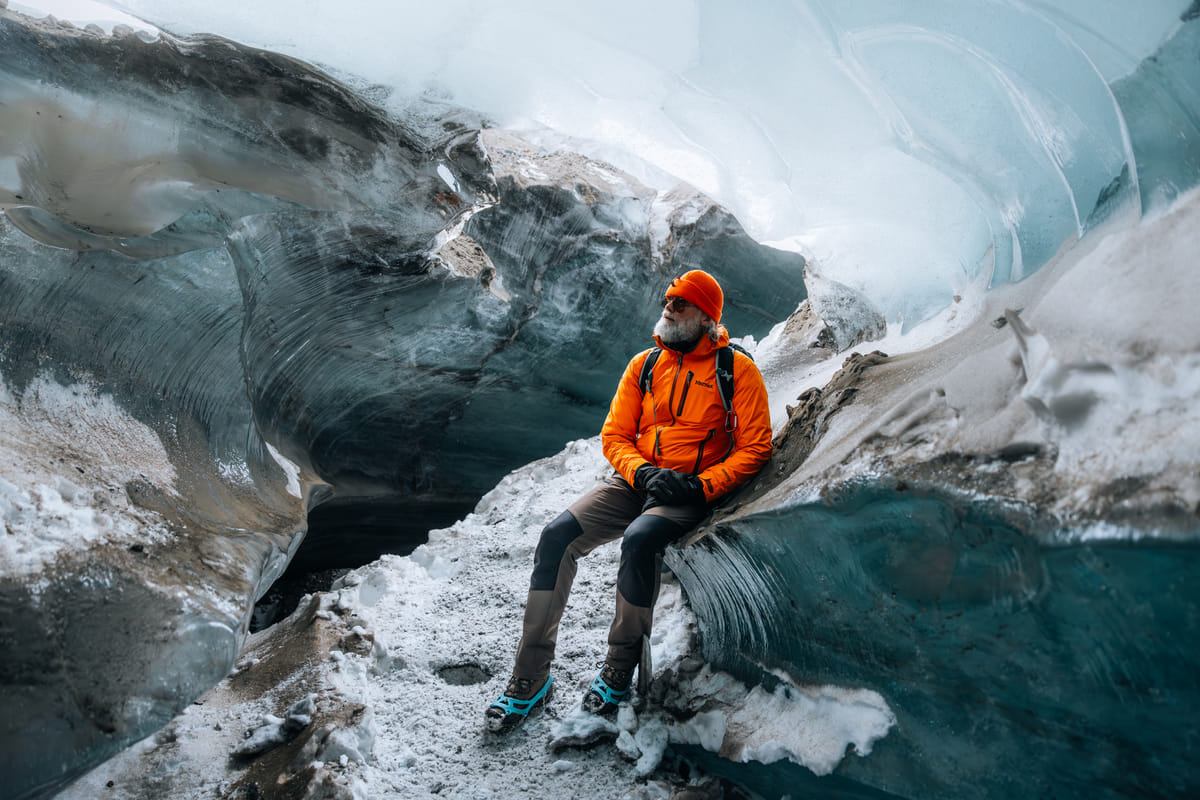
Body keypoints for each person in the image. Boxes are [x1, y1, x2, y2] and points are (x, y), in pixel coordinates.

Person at [484, 269, 773, 733]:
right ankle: (530, 677)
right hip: (635, 481)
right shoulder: (644, 365)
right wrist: (641, 471)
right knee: (557, 536)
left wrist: (702, 486)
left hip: (688, 491)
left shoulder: (736, 371)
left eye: (679, 303)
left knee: (639, 540)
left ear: (704, 316)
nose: (668, 307)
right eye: (668, 300)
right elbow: (615, 435)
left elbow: (756, 447)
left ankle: (619, 668)